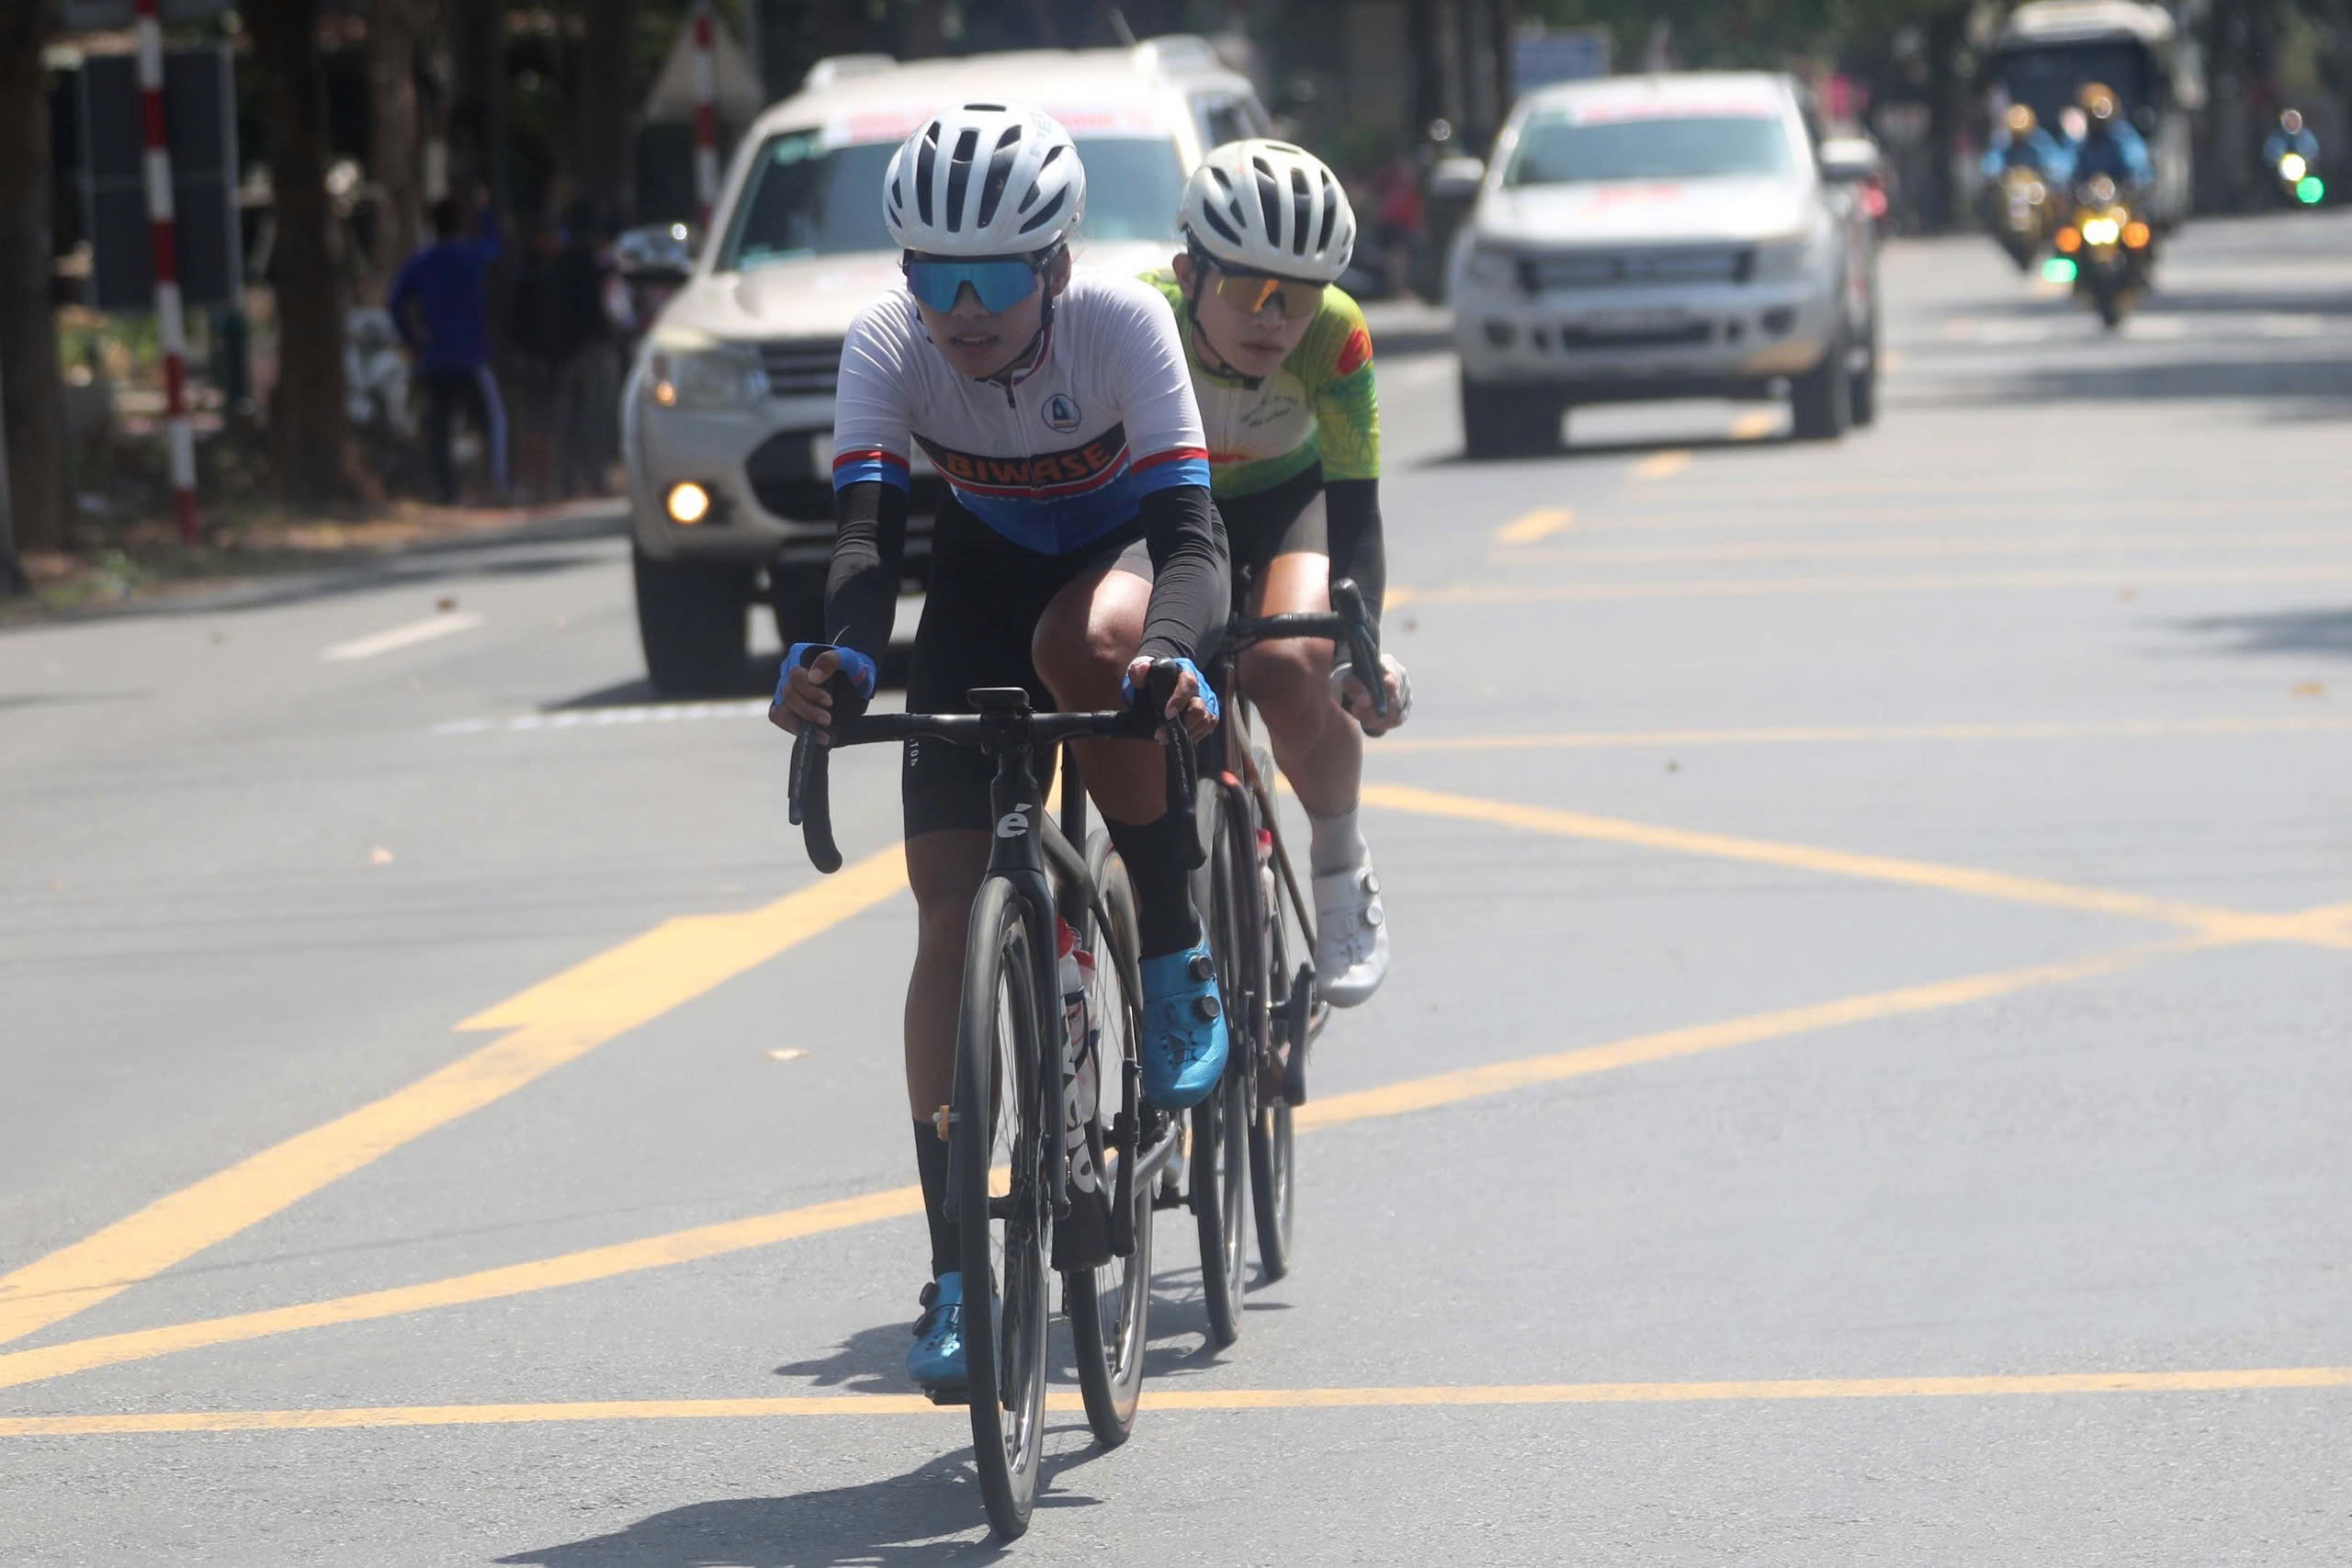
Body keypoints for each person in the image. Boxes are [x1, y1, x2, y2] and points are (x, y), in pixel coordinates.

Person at [766, 102, 1230, 1394]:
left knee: (1093, 645)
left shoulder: (1122, 324)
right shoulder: (887, 342)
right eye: (935, 277)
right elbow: (865, 544)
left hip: (1120, 557)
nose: (961, 311)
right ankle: (959, 1270)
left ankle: (1174, 945)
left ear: (1056, 265)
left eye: (994, 279)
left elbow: (1192, 540)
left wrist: (1174, 653)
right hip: (981, 569)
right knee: (943, 913)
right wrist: (844, 662)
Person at [1147, 139, 1409, 1009]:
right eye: (1247, 290)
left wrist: (1359, 648)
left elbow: (1358, 506)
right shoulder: (1140, 317)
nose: (1270, 318)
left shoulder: (1336, 334)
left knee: (1288, 663)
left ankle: (1340, 864)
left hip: (1287, 500)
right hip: (1175, 505)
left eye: (1295, 297)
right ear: (1189, 274)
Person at [387, 194, 509, 504]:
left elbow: (395, 303)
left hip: (435, 356)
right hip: (470, 356)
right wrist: (486, 211)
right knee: (492, 421)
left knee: (439, 428)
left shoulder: (421, 261)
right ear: (460, 224)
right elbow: (494, 247)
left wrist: (413, 340)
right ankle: (496, 484)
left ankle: (446, 491)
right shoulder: (469, 256)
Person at [541, 201, 622, 498]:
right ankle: (595, 478)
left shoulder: (556, 263)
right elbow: (609, 308)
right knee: (595, 416)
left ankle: (566, 482)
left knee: (568, 419)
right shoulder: (596, 263)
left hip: (564, 352)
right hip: (593, 349)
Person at [2066, 83, 2154, 196]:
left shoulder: (2122, 136)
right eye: (2092, 115)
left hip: (2120, 197)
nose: (2097, 121)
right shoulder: (2079, 142)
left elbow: (2138, 165)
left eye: (2102, 114)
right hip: (2088, 198)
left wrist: (2134, 183)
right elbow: (2067, 170)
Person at [1981, 103, 2072, 185]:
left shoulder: (2040, 140)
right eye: (2016, 134)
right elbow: (1991, 163)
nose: (2020, 138)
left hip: (2035, 187)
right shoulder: (2003, 142)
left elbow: (2059, 165)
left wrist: (2050, 170)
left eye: (2023, 133)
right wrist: (1994, 171)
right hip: (2011, 187)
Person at [2264, 108, 2321, 177]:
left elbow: (2313, 154)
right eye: (2288, 121)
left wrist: (2309, 162)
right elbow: (2270, 157)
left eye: (2294, 120)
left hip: (2304, 172)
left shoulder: (2307, 136)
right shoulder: (2276, 138)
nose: (2291, 123)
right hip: (2281, 173)